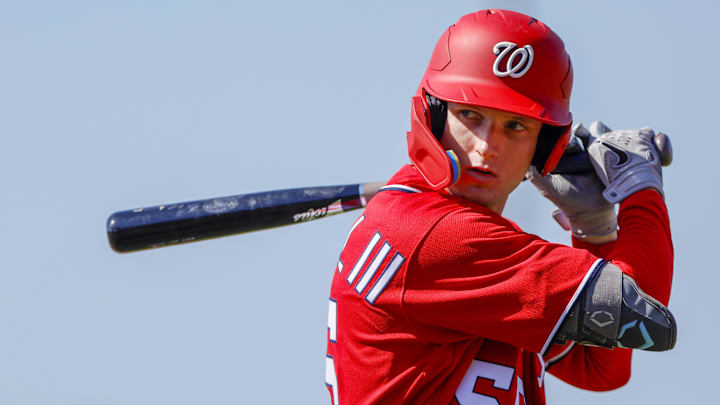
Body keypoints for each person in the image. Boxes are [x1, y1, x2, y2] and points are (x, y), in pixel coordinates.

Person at [324, 9, 675, 405]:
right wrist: (639, 189)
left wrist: (594, 230)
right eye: (470, 115)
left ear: (545, 146)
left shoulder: (429, 228)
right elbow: (644, 315)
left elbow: (599, 367)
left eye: (516, 126)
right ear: (433, 115)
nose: (487, 146)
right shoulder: (438, 237)